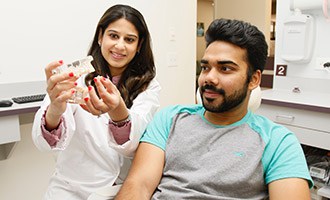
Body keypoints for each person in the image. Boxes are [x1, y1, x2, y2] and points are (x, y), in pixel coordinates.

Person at [115, 18, 313, 200]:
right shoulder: (170, 119)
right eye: (205, 67)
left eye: (225, 68)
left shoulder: (277, 142)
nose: (209, 78)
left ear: (254, 79)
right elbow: (138, 186)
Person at [32, 4, 161, 200]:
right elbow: (46, 142)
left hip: (119, 189)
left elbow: (134, 141)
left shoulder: (148, 86)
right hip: (70, 190)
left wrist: (118, 111)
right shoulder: (76, 77)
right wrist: (56, 108)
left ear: (139, 45)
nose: (120, 46)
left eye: (129, 39)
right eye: (113, 36)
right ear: (100, 37)